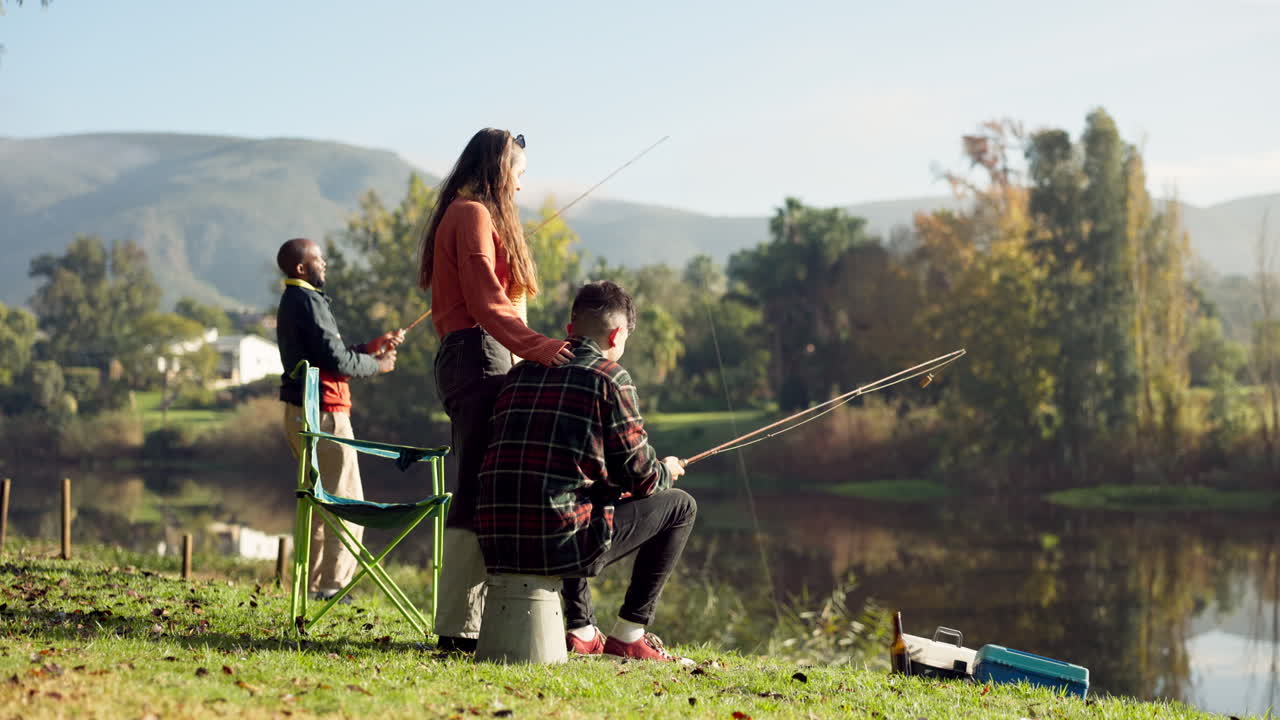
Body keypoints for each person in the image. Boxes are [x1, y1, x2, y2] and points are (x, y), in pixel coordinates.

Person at [476, 280, 696, 662]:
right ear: (617, 333)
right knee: (681, 507)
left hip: (496, 540)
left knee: (576, 493)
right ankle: (629, 634)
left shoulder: (519, 376)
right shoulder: (610, 377)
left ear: (569, 330)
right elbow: (643, 478)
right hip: (556, 545)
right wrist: (666, 469)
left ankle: (580, 629)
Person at [417, 128, 573, 651]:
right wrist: (540, 347)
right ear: (496, 167)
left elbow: (498, 303)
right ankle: (458, 630)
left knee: (485, 483)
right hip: (476, 354)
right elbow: (486, 302)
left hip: (484, 354)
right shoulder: (472, 214)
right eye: (518, 174)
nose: (522, 188)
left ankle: (474, 623)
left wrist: (525, 350)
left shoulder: (473, 215)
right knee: (477, 486)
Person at [276, 237, 404, 600]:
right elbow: (337, 363)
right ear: (301, 268)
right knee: (346, 502)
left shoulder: (293, 301)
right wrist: (377, 365)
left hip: (299, 411)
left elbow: (329, 354)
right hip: (326, 415)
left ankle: (313, 585)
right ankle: (334, 587)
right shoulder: (309, 301)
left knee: (319, 504)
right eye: (318, 259)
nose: (325, 263)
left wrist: (369, 348)